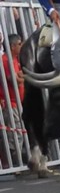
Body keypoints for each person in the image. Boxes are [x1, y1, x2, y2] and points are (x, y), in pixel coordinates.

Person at [0, 34, 24, 166]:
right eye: (19, 44)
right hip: (10, 103)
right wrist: (24, 78)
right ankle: (14, 163)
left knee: (17, 132)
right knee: (15, 133)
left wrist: (21, 77)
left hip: (16, 102)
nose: (21, 46)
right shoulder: (6, 60)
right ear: (12, 46)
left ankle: (15, 163)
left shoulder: (14, 60)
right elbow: (13, 79)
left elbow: (19, 76)